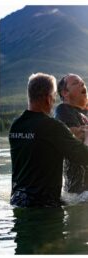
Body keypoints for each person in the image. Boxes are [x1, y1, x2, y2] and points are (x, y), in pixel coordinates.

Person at [9, 73, 88, 207]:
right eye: (54, 96)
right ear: (48, 98)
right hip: (44, 205)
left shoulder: (16, 125)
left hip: (17, 200)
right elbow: (84, 156)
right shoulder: (53, 127)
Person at [54, 74, 88, 193]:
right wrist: (81, 132)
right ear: (65, 93)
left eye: (82, 82)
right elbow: (73, 137)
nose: (82, 84)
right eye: (75, 83)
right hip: (78, 189)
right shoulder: (63, 110)